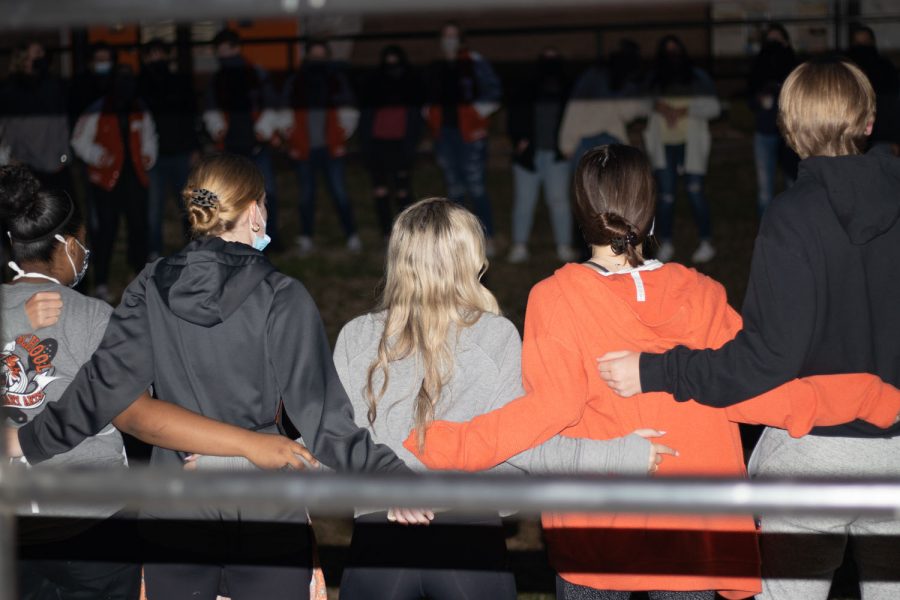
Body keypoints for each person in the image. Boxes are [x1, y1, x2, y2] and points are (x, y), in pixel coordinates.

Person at [403, 145, 900, 600]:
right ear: (652, 207)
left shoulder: (555, 297)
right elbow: (754, 393)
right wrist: (867, 396)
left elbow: (549, 409)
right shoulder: (702, 292)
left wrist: (441, 444)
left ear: (581, 212)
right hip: (693, 534)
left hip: (597, 536)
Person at [10, 153, 430, 599]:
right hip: (264, 503)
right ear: (253, 211)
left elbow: (103, 388)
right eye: (265, 204)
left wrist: (25, 441)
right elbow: (323, 418)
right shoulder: (282, 296)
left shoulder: (150, 286)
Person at [597, 60, 900, 600]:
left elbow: (767, 359)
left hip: (817, 450)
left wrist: (656, 370)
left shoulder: (793, 216)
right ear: (869, 120)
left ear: (788, 128)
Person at [335, 197, 672, 599]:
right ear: (471, 260)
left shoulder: (356, 338)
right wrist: (623, 454)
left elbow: (329, 443)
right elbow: (528, 445)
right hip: (468, 541)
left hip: (379, 544)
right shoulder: (495, 336)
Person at [71, 63, 156, 302]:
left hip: (135, 178)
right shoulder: (97, 109)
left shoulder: (140, 109)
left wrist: (149, 154)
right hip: (106, 181)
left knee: (139, 229)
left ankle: (141, 278)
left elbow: (150, 137)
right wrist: (98, 156)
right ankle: (100, 281)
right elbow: (79, 141)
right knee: (105, 231)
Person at [426, 22, 502, 256]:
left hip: (471, 135)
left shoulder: (474, 62)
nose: (449, 41)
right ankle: (456, 242)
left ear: (462, 40)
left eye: (453, 36)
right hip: (445, 135)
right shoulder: (437, 66)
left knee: (476, 187)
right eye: (445, 36)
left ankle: (487, 238)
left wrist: (475, 114)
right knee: (454, 189)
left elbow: (494, 91)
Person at [280, 39, 362, 254]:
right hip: (305, 149)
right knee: (306, 195)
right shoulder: (296, 81)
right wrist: (292, 140)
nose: (317, 59)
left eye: (321, 55)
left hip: (332, 149)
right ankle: (306, 237)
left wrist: (341, 136)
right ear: (307, 57)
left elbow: (349, 109)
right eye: (313, 55)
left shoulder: (336, 80)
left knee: (339, 192)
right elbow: (284, 112)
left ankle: (352, 235)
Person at [644, 35, 720, 264]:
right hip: (665, 145)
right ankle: (665, 242)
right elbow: (637, 103)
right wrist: (657, 106)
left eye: (676, 50)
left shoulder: (697, 78)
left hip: (691, 145)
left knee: (695, 192)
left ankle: (706, 241)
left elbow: (714, 107)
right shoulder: (655, 79)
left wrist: (685, 110)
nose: (672, 56)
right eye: (667, 51)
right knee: (665, 197)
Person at [204, 28, 282, 250]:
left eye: (227, 48)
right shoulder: (217, 79)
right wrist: (218, 129)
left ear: (237, 47)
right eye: (220, 49)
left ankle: (269, 239)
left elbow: (271, 102)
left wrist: (263, 130)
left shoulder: (256, 74)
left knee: (267, 195)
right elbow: (210, 107)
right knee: (232, 197)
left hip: (257, 145)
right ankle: (237, 240)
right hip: (230, 146)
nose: (224, 53)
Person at [507, 48, 578, 264]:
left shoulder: (568, 88)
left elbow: (575, 118)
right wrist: (518, 139)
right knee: (524, 202)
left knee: (559, 202)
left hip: (558, 156)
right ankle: (519, 245)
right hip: (528, 157)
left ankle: (564, 246)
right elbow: (514, 115)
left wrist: (570, 143)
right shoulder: (527, 87)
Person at [138, 38, 200, 260]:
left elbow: (191, 115)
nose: (156, 60)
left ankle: (193, 247)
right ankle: (154, 251)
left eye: (160, 54)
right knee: (153, 208)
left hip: (181, 152)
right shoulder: (140, 85)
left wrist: (195, 147)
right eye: (151, 55)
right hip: (154, 156)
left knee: (189, 203)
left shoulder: (180, 82)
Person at [358, 45, 423, 240]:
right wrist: (366, 146)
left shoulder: (410, 83)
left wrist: (411, 146)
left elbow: (415, 119)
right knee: (381, 190)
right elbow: (366, 117)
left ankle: (408, 232)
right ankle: (387, 231)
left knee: (403, 190)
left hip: (401, 144)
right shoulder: (375, 83)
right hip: (378, 144)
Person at [558, 38, 648, 165]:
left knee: (614, 184)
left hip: (613, 139)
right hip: (586, 140)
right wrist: (567, 143)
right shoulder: (592, 76)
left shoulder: (631, 84)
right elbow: (575, 108)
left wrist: (627, 86)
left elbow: (631, 113)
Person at [0, 41, 72, 194]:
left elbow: (61, 125)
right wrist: (12, 159)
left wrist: (63, 157)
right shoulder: (12, 90)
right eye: (38, 53)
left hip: (55, 164)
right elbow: (10, 129)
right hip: (26, 164)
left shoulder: (52, 85)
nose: (43, 57)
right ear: (24, 59)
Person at [748, 23, 799, 215]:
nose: (774, 44)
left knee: (794, 186)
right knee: (765, 192)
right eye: (770, 40)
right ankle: (767, 239)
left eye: (778, 39)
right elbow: (749, 99)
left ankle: (798, 236)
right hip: (765, 132)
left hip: (791, 135)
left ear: (786, 42)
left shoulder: (795, 66)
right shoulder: (758, 67)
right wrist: (759, 99)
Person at [847, 24, 900, 153]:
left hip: (884, 133)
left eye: (865, 43)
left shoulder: (885, 67)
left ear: (872, 42)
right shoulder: (847, 69)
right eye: (858, 43)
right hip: (855, 132)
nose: (862, 48)